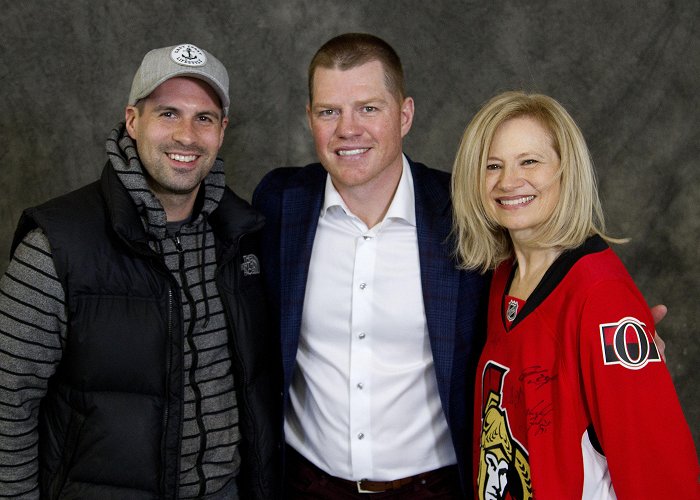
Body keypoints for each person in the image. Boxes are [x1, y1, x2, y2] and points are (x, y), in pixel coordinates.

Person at [0, 43, 280, 499]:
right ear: (133, 121)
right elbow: (8, 399)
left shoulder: (244, 236)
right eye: (168, 113)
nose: (186, 136)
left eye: (204, 118)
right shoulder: (57, 245)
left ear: (222, 130)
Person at [253, 33, 489, 498]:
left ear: (404, 116)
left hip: (433, 488)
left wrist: (608, 323)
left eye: (369, 108)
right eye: (329, 112)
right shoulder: (280, 204)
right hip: (305, 485)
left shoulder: (463, 211)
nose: (348, 129)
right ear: (310, 118)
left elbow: (537, 273)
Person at [450, 91, 699, 498]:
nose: (508, 181)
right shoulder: (504, 276)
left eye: (529, 161)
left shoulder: (602, 298)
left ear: (566, 171)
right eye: (492, 165)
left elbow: (660, 469)